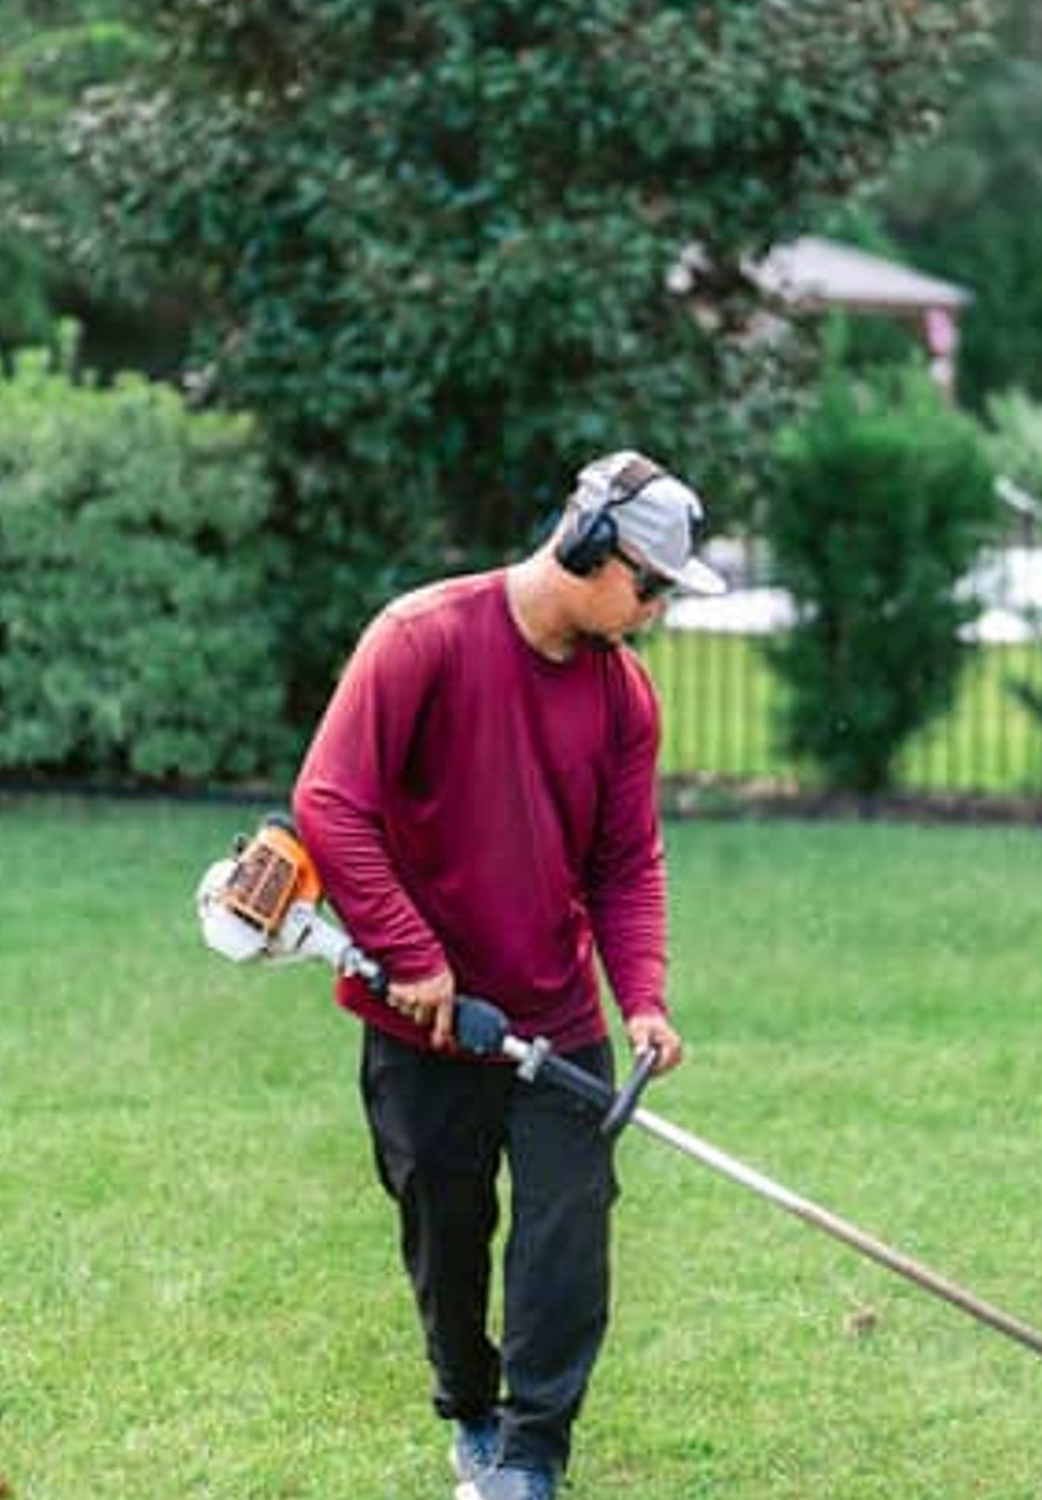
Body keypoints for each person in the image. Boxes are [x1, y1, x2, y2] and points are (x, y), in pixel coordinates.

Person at [292, 450, 727, 1500]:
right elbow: (330, 804)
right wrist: (416, 958)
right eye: (650, 585)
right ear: (586, 546)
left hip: (552, 1013)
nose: (657, 611)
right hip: (420, 1024)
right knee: (446, 1229)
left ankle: (532, 1452)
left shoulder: (624, 696)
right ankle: (471, 1409)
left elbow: (628, 860)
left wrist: (647, 997)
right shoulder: (420, 639)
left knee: (567, 1230)